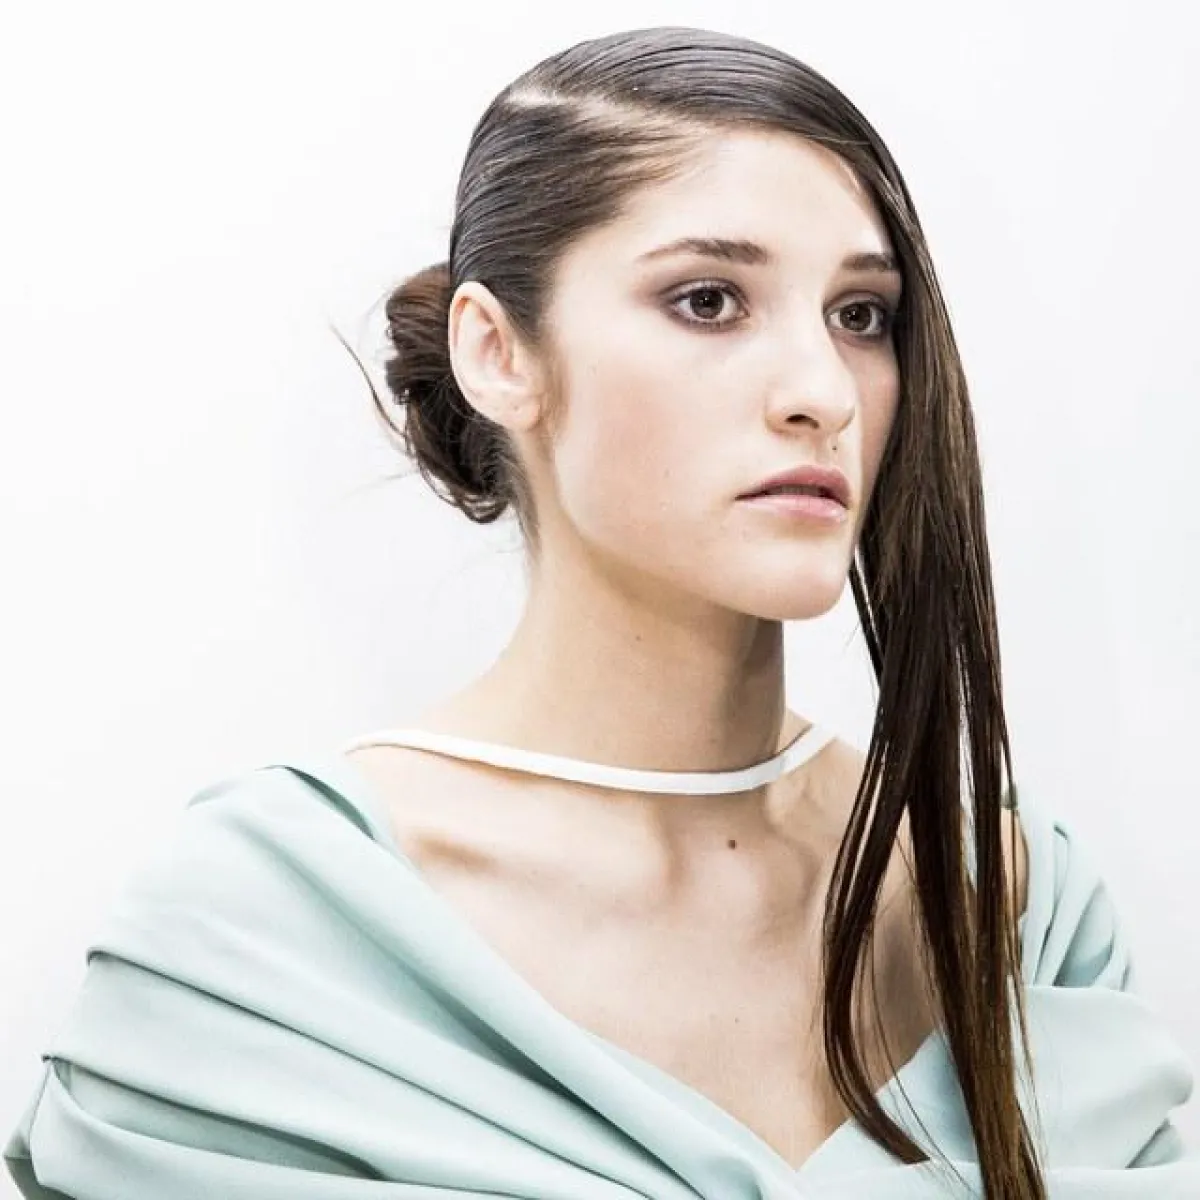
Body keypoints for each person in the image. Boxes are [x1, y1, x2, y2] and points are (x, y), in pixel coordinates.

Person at [5, 24, 1197, 1200]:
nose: (823, 393)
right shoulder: (267, 932)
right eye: (709, 300)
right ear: (497, 352)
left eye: (861, 315)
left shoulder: (1008, 901)